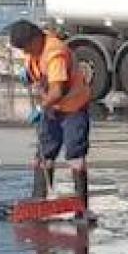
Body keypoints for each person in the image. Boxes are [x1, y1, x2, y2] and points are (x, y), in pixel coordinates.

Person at [7, 20, 93, 220]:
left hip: (73, 109)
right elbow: (37, 72)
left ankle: (82, 207)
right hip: (52, 110)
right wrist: (28, 75)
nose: (26, 53)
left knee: (75, 155)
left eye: (26, 48)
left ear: (35, 39)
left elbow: (57, 90)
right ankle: (39, 200)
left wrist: (40, 107)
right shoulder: (35, 52)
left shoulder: (55, 54)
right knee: (44, 154)